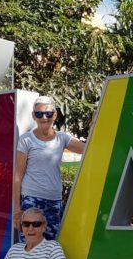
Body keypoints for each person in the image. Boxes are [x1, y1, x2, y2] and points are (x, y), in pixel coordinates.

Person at [13, 96, 85, 241]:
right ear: (34, 116)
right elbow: (18, 175)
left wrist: (95, 122)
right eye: (39, 114)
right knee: (30, 245)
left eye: (48, 113)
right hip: (31, 199)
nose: (44, 117)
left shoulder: (62, 138)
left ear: (55, 115)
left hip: (54, 200)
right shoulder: (26, 139)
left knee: (51, 246)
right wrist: (16, 209)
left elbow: (88, 148)